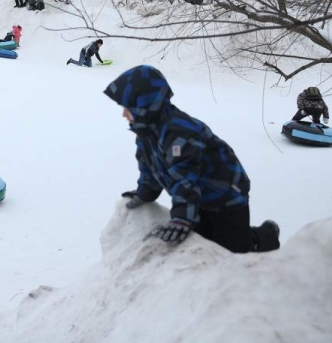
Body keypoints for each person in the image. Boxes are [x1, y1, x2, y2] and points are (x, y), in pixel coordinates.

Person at [104, 65, 281, 253]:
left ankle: (266, 236)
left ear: (146, 106)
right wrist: (145, 192)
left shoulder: (179, 131)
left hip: (226, 194)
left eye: (128, 108)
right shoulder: (146, 132)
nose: (124, 114)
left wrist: (181, 218)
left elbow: (184, 178)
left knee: (233, 250)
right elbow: (149, 168)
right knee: (205, 241)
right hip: (198, 195)